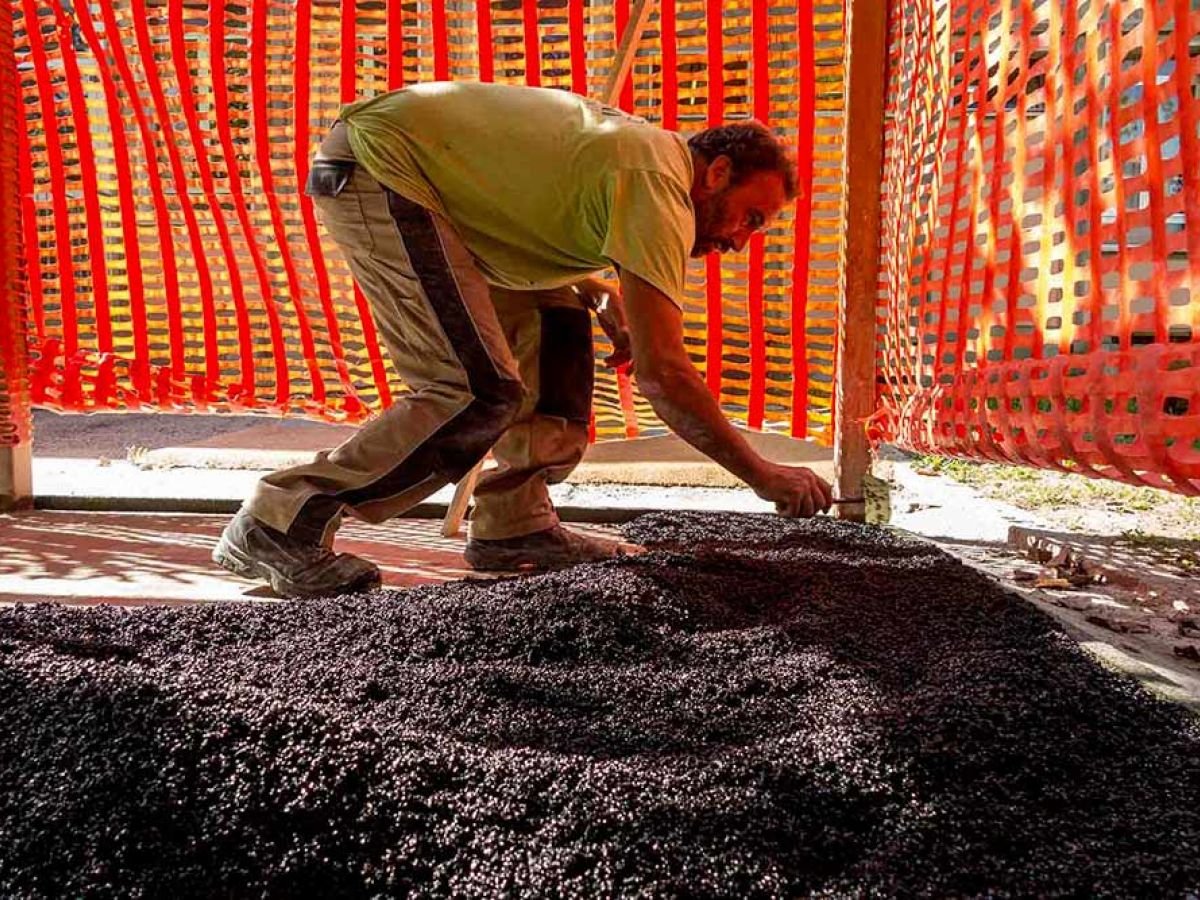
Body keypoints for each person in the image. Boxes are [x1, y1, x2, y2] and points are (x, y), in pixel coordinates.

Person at [213, 81, 833, 597]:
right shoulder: (657, 181)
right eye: (750, 218)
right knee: (473, 390)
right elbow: (663, 372)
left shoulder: (646, 162)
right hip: (383, 168)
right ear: (717, 172)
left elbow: (522, 200)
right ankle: (279, 521)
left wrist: (594, 288)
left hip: (442, 193)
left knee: (557, 326)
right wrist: (762, 473)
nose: (739, 243)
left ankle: (515, 523)